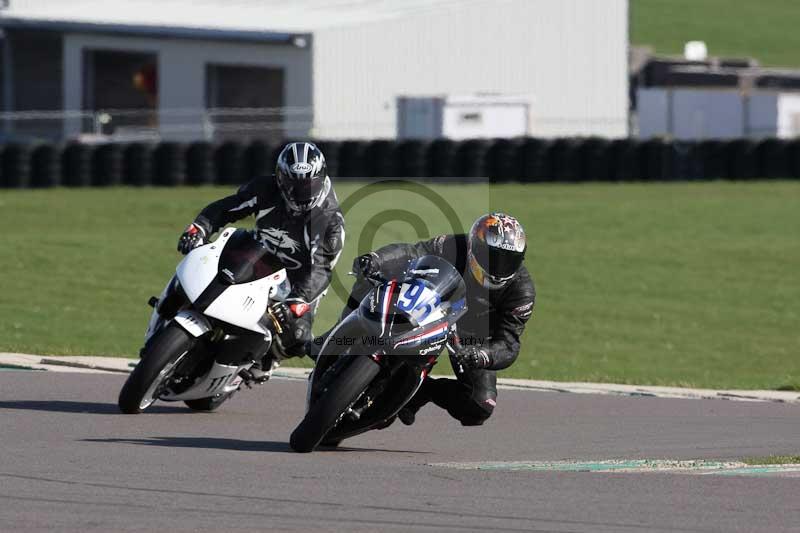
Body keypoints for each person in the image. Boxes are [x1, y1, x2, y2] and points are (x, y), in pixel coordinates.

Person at [339, 212, 535, 426]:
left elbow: (509, 343)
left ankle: (421, 392)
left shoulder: (522, 291)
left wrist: (482, 355)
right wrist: (378, 259)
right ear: (474, 247)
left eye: (508, 261)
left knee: (480, 406)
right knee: (370, 278)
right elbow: (413, 252)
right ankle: (340, 340)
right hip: (432, 305)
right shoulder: (454, 245)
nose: (498, 268)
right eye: (492, 257)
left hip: (471, 336)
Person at [177, 141, 345, 376]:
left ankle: (264, 360)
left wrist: (298, 299)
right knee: (201, 262)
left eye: (308, 184)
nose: (301, 192)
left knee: (296, 336)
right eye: (293, 184)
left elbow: (321, 270)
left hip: (296, 281)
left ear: (321, 177)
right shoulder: (264, 189)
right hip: (257, 255)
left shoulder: (329, 221)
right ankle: (168, 314)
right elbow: (227, 208)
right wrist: (200, 228)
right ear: (280, 179)